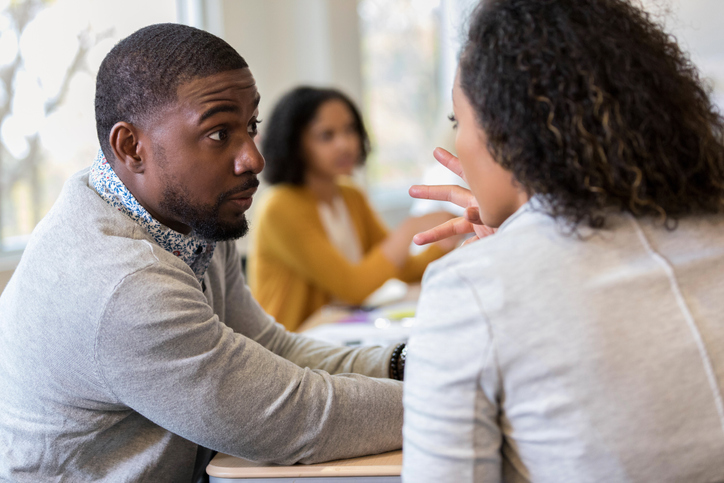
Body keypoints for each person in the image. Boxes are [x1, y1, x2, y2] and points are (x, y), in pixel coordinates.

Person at [0, 24, 406, 483]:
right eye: (218, 134)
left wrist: (403, 362)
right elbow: (294, 417)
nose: (253, 158)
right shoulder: (121, 284)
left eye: (250, 126)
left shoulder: (190, 219)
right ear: (130, 147)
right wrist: (459, 393)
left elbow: (270, 351)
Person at [402, 0, 724, 482]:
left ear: (504, 132)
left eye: (458, 123)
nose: (458, 147)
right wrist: (514, 242)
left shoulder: (470, 291)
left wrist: (501, 265)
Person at [248, 86, 456, 331]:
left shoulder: (350, 195)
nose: (345, 144)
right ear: (294, 143)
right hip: (291, 347)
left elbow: (397, 269)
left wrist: (449, 240)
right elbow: (354, 289)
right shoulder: (279, 207)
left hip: (338, 333)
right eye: (327, 135)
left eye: (350, 130)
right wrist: (412, 227)